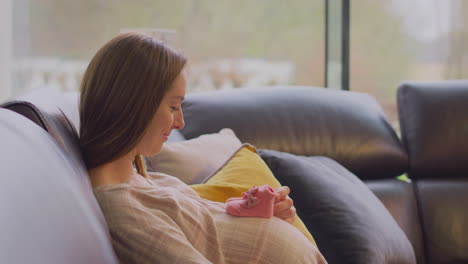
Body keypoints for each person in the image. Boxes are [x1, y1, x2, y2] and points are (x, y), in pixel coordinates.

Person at [79, 32, 326, 264]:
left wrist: (256, 211)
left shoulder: (138, 178)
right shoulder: (123, 210)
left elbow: (209, 230)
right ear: (133, 104)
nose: (180, 122)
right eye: (174, 107)